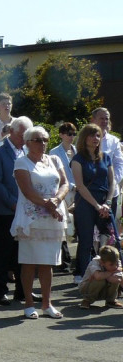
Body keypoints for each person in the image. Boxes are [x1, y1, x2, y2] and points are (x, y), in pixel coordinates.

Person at [12, 126, 68, 319]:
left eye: (45, 139)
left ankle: (47, 304)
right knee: (29, 261)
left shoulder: (55, 159)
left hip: (53, 218)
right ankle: (28, 304)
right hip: (31, 218)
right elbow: (28, 191)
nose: (42, 143)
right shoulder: (21, 162)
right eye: (37, 139)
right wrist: (50, 205)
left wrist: (57, 200)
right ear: (27, 142)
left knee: (48, 262)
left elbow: (65, 183)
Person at [0, 117, 32, 304]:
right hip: (6, 210)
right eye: (23, 134)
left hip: (26, 210)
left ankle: (23, 291)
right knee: (2, 251)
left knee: (24, 251)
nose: (25, 139)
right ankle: (0, 291)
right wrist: (13, 203)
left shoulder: (27, 151)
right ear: (12, 131)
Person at [71, 123, 115, 285]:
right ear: (84, 137)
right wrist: (97, 206)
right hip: (86, 203)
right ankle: (84, 273)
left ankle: (107, 272)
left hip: (105, 202)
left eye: (97, 135)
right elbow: (80, 186)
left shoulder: (106, 157)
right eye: (91, 135)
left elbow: (112, 183)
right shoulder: (78, 159)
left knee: (106, 239)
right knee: (86, 239)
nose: (95, 138)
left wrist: (108, 203)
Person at [50, 122, 78, 269]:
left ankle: (74, 259)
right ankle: (63, 258)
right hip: (65, 191)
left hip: (79, 192)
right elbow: (55, 175)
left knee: (78, 224)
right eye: (68, 133)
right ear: (61, 135)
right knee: (64, 225)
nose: (71, 137)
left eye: (73, 133)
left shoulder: (78, 150)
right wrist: (72, 186)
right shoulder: (54, 152)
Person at [90, 108, 123, 215]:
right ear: (93, 120)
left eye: (106, 119)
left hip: (111, 193)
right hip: (91, 193)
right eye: (101, 118)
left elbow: (119, 164)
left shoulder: (114, 141)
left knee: (108, 229)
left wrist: (111, 182)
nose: (104, 121)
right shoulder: (84, 140)